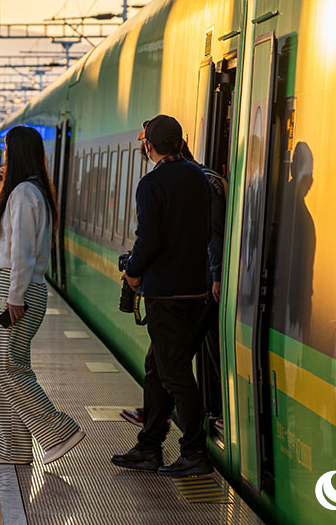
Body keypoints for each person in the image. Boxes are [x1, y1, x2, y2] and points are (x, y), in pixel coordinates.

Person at [111, 115, 213, 477]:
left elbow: (149, 240)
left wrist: (133, 272)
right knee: (158, 368)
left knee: (175, 375)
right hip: (195, 291)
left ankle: (195, 452)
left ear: (150, 146)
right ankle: (149, 446)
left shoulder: (151, 184)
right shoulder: (199, 180)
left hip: (166, 295)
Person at [0, 125, 85, 466]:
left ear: (16, 154)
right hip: (17, 287)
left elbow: (22, 253)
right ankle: (11, 447)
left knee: (11, 369)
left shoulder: (25, 194)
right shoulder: (25, 191)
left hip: (18, 287)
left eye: (8, 152)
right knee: (5, 368)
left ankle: (59, 431)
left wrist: (15, 297)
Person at [120, 141, 227, 432]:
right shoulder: (201, 179)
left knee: (174, 367)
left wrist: (216, 275)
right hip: (192, 285)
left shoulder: (187, 181)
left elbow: (212, 234)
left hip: (185, 288)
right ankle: (152, 432)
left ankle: (193, 441)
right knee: (162, 363)